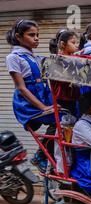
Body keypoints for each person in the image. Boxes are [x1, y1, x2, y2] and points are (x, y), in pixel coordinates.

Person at [5, 19, 57, 173]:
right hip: (27, 105)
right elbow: (21, 88)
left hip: (42, 98)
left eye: (38, 35)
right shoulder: (13, 58)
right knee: (61, 120)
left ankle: (51, 156)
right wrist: (44, 107)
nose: (36, 38)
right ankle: (41, 155)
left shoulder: (36, 57)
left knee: (67, 117)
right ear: (19, 37)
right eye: (31, 35)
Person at [48, 29, 80, 116]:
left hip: (73, 98)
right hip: (62, 99)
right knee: (64, 124)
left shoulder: (73, 59)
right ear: (62, 44)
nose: (76, 45)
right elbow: (64, 79)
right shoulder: (57, 60)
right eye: (73, 43)